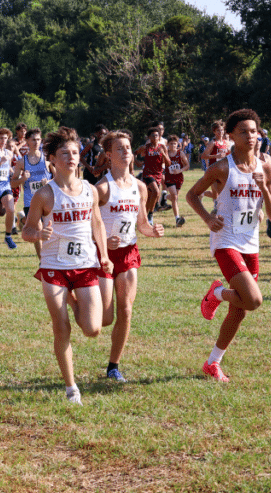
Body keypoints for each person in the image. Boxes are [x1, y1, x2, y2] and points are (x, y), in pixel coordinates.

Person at [185, 109, 271, 382]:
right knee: (253, 299)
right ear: (231, 136)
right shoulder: (222, 168)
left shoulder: (267, 169)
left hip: (251, 242)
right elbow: (192, 195)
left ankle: (212, 363)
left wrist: (264, 188)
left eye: (254, 131)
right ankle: (216, 292)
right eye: (243, 132)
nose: (250, 136)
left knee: (239, 311)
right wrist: (208, 218)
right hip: (226, 240)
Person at [22, 126, 112, 403]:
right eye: (65, 153)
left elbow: (97, 223)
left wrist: (104, 255)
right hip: (54, 268)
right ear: (52, 159)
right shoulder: (45, 195)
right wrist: (38, 235)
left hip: (85, 265)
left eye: (75, 152)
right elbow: (26, 231)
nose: (72, 157)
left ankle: (73, 301)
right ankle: (71, 388)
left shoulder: (90, 190)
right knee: (61, 327)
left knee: (93, 329)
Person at [95, 131, 164, 382]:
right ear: (109, 155)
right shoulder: (102, 188)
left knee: (125, 311)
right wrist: (103, 242)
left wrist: (152, 231)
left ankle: (113, 366)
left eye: (128, 147)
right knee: (105, 319)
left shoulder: (140, 187)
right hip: (103, 256)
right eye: (120, 148)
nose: (126, 151)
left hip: (128, 253)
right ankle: (74, 297)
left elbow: (141, 223)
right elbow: (88, 227)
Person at [11, 127, 52, 258]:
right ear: (27, 141)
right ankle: (42, 260)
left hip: (48, 200)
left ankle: (22, 219)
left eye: (38, 139)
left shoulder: (47, 159)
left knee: (49, 229)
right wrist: (22, 179)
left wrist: (49, 182)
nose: (36, 142)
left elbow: (59, 179)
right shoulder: (21, 162)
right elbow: (12, 183)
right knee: (38, 228)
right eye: (33, 140)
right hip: (31, 202)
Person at [135, 127, 170, 224]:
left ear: (159, 137)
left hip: (158, 174)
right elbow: (134, 153)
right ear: (149, 137)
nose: (155, 137)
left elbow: (168, 163)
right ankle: (150, 214)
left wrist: (163, 154)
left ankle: (145, 218)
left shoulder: (162, 147)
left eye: (157, 135)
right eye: (153, 135)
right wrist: (137, 162)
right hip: (148, 173)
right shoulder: (145, 147)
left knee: (151, 197)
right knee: (156, 191)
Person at [164, 135, 190, 227]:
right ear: (168, 144)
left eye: (175, 144)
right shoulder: (165, 153)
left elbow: (187, 165)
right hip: (169, 177)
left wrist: (180, 170)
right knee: (174, 197)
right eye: (171, 144)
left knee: (174, 197)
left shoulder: (180, 153)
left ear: (177, 144)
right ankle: (177, 219)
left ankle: (164, 197)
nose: (173, 145)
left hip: (179, 178)